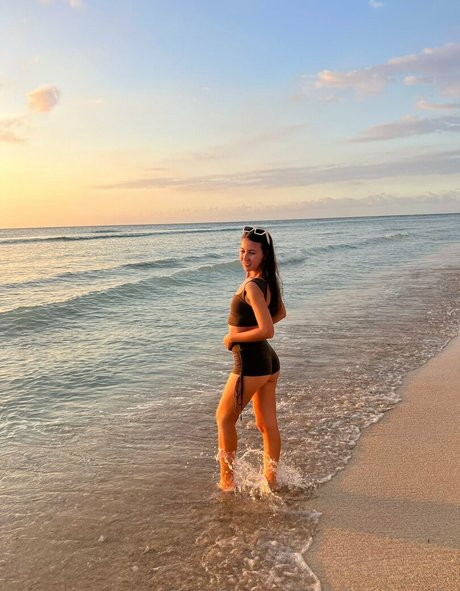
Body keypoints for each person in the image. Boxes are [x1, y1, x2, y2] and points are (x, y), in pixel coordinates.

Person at [216, 226, 286, 491]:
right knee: (266, 424)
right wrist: (250, 329)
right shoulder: (265, 281)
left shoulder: (253, 286)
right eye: (242, 251)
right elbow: (280, 313)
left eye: (252, 253)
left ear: (264, 255)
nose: (245, 257)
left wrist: (234, 337)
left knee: (224, 419)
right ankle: (271, 481)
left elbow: (268, 330)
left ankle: (227, 484)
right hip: (268, 362)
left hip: (252, 362)